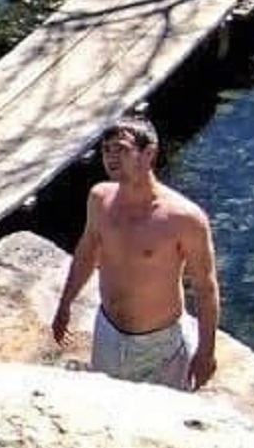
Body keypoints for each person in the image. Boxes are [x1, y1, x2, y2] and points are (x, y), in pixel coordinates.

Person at [51, 114, 220, 390]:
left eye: (122, 149)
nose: (112, 157)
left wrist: (206, 351)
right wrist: (65, 303)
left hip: (160, 343)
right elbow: (86, 253)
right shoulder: (99, 199)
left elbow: (206, 287)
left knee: (162, 422)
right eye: (106, 150)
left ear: (148, 153)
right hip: (108, 331)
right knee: (108, 411)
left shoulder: (184, 218)